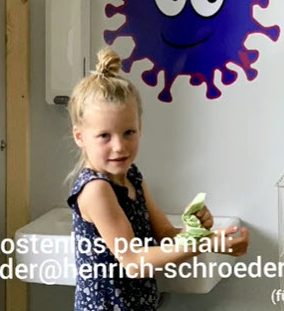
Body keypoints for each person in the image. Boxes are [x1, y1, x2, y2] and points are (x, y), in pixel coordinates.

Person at [66, 48, 249, 311]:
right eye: (104, 136)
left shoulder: (133, 179)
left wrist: (195, 230)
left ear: (140, 127)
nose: (119, 146)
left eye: (128, 132)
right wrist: (207, 243)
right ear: (80, 137)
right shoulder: (95, 190)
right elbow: (134, 262)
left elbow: (164, 236)